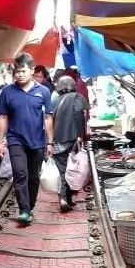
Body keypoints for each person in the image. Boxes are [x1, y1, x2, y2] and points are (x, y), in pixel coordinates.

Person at [0, 52, 54, 224]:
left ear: (31, 70)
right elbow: (2, 117)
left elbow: (48, 117)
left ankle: (30, 205)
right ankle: (24, 210)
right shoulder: (7, 92)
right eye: (17, 71)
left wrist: (50, 142)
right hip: (15, 140)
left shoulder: (43, 92)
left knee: (33, 176)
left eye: (22, 71)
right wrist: (0, 142)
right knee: (20, 173)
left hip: (37, 141)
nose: (19, 74)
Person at [52, 76, 88, 212]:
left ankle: (64, 198)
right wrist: (80, 135)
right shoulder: (76, 97)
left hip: (56, 139)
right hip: (71, 138)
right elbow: (78, 114)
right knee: (71, 169)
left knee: (62, 170)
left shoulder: (56, 99)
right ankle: (66, 198)